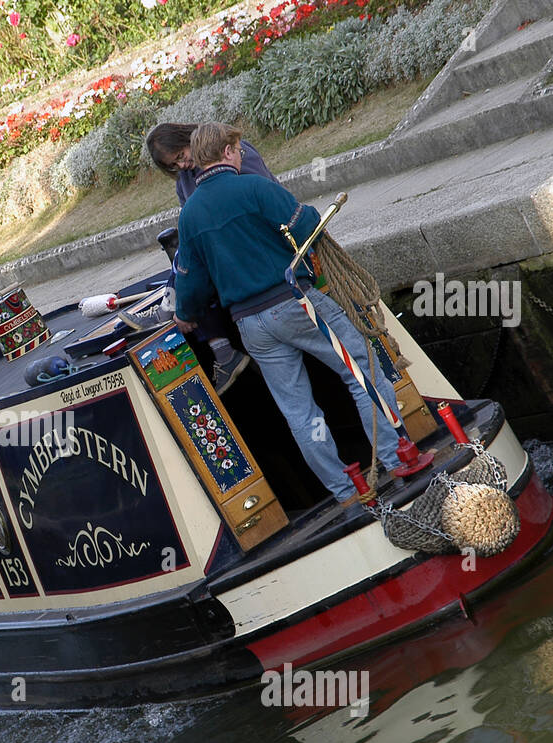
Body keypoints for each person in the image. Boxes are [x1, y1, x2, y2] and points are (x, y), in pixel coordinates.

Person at [174, 123, 404, 506]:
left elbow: (191, 285)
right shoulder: (253, 187)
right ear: (229, 151)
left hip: (250, 325)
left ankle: (345, 491)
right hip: (295, 303)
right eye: (238, 148)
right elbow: (306, 222)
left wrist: (185, 314)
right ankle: (396, 459)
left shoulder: (189, 215)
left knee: (299, 411)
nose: (243, 154)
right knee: (362, 373)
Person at [146, 123, 278, 395]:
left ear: (187, 140)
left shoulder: (229, 152)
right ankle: (219, 347)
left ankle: (177, 311)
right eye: (174, 164)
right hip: (222, 247)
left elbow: (265, 196)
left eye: (181, 156)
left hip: (252, 239)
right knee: (192, 264)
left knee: (192, 264)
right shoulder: (184, 180)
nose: (182, 165)